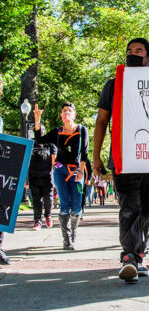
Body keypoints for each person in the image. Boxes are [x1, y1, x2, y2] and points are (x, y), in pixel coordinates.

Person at [93, 37, 149, 282]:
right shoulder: (113, 85)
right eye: (129, 50)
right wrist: (96, 156)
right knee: (130, 206)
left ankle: (141, 254)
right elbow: (101, 121)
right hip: (123, 156)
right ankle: (129, 256)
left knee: (148, 208)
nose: (132, 53)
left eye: (138, 50)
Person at [33, 102, 89, 250]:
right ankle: (66, 239)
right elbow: (39, 140)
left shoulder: (82, 130)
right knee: (64, 204)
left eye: (70, 111)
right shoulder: (57, 132)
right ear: (61, 116)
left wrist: (81, 171)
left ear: (74, 115)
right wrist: (37, 119)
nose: (67, 113)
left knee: (76, 207)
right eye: (64, 111)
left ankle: (74, 231)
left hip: (77, 171)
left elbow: (84, 152)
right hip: (60, 171)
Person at [28, 123, 56, 230]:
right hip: (33, 176)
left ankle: (48, 216)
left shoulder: (50, 144)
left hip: (47, 177)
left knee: (48, 199)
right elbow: (25, 161)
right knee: (36, 200)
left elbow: (54, 161)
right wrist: (25, 179)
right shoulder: (30, 145)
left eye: (41, 130)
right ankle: (37, 221)